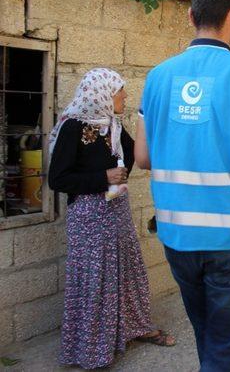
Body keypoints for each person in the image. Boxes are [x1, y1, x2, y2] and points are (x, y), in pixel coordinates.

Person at [134, 0, 230, 372]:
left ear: (191, 15)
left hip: (177, 235)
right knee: (226, 347)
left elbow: (142, 158)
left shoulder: (157, 78)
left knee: (206, 332)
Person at [48, 68, 175, 370]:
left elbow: (135, 153)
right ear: (102, 93)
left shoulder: (114, 126)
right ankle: (93, 349)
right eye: (120, 91)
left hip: (116, 213)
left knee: (128, 273)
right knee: (96, 282)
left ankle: (137, 328)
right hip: (89, 218)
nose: (125, 96)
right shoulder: (73, 128)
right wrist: (102, 177)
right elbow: (58, 179)